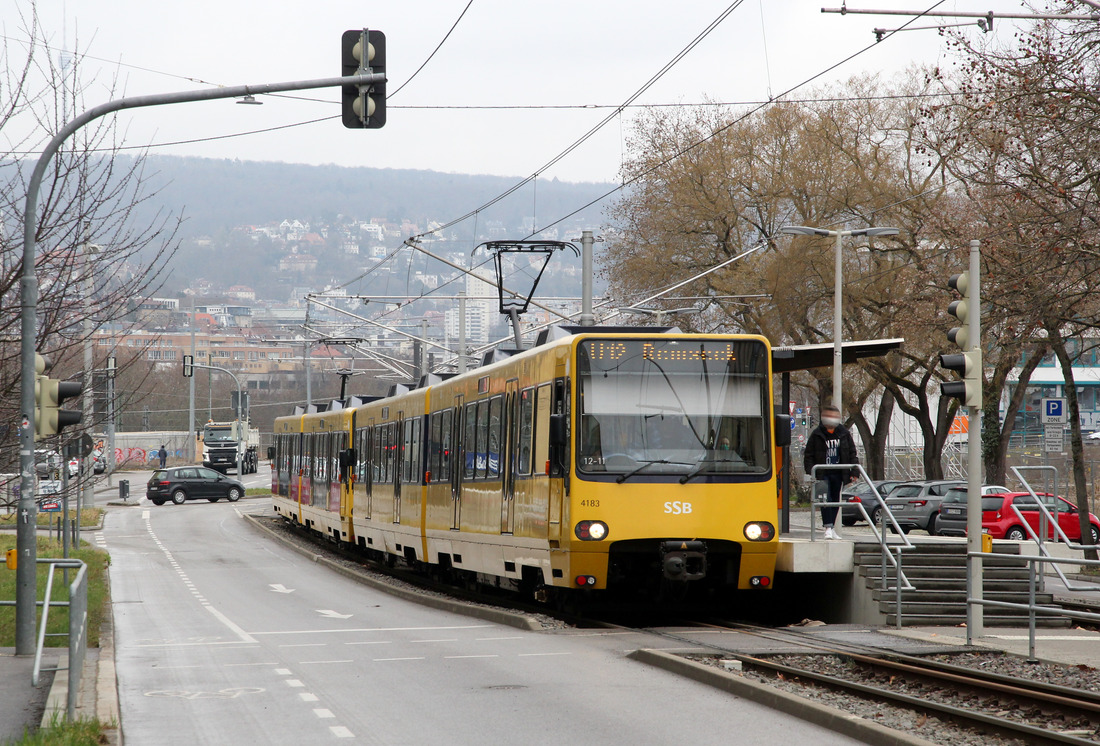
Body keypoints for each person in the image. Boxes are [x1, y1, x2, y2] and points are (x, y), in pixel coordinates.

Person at [803, 405, 859, 540]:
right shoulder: (817, 434)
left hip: (838, 472)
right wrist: (811, 471)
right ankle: (828, 527)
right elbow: (808, 454)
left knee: (835, 500)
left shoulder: (844, 433)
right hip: (822, 473)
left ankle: (831, 527)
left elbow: (852, 452)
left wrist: (855, 471)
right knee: (824, 500)